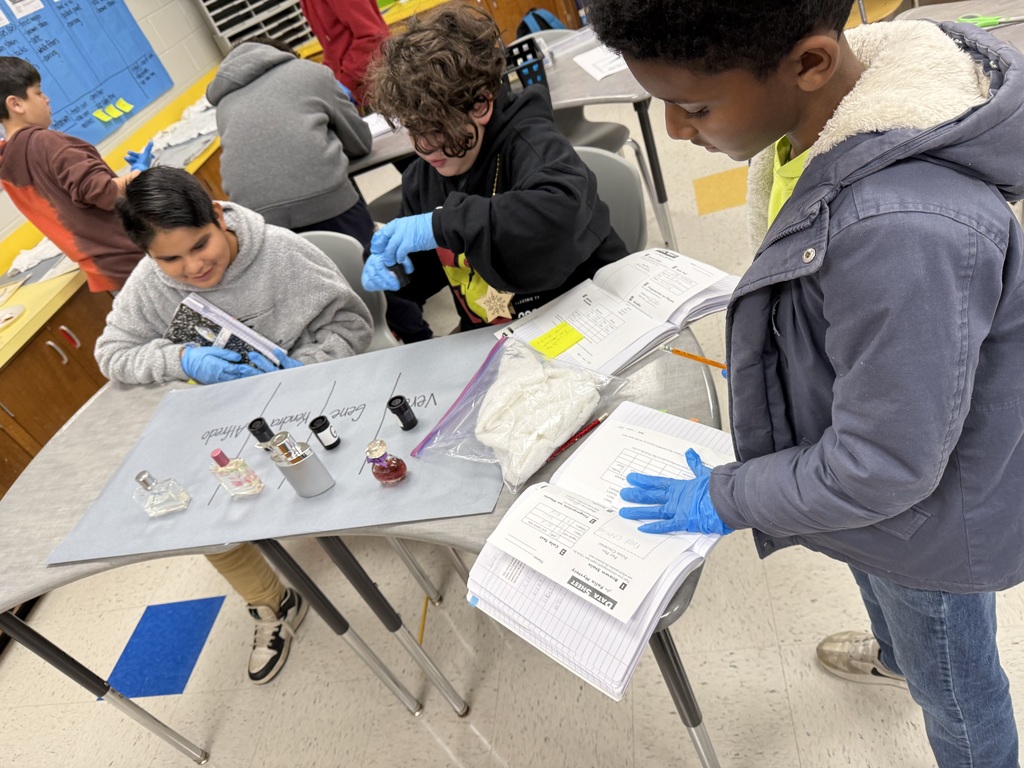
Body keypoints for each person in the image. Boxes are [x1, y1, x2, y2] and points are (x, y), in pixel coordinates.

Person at [589, 2, 1024, 765]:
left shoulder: (905, 230)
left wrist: (727, 495)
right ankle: (895, 653)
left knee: (956, 690)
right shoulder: (815, 126)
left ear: (812, 64)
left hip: (930, 528)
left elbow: (885, 467)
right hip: (872, 498)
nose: (675, 131)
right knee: (881, 586)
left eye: (693, 106)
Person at [96, 166, 373, 684]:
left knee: (355, 473)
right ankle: (272, 603)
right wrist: (182, 359)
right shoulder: (153, 282)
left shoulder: (283, 253)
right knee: (195, 503)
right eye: (170, 258)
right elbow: (112, 353)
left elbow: (353, 324)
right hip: (230, 421)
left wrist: (310, 367)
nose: (193, 266)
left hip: (312, 399)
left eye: (201, 245)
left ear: (218, 215)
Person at [362, 2, 627, 334]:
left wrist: (442, 224)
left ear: (481, 104)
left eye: (438, 128)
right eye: (413, 129)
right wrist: (397, 270)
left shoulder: (532, 143)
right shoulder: (423, 180)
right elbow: (433, 267)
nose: (423, 147)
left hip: (585, 317)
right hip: (499, 337)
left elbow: (559, 212)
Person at [0, 56, 153, 292]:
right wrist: (138, 174)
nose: (46, 99)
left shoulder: (7, 160)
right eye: (38, 93)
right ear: (16, 104)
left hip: (105, 268)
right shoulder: (46, 142)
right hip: (134, 260)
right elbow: (105, 193)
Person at [206, 36, 375, 248]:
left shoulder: (223, 106)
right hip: (328, 205)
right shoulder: (310, 71)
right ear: (284, 55)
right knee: (371, 264)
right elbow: (360, 144)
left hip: (260, 227)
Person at [299, 0, 389, 106]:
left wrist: (345, 83)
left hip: (377, 87)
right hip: (361, 89)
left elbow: (372, 36)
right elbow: (334, 45)